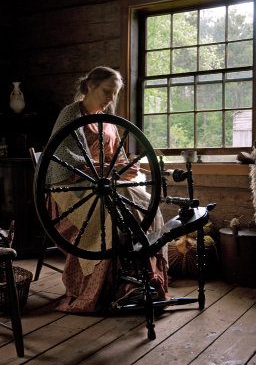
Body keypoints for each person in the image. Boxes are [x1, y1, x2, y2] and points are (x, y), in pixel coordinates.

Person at [46, 66, 169, 313]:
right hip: (71, 188)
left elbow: (116, 159)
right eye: (107, 91)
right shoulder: (71, 114)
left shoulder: (106, 121)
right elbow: (66, 162)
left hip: (103, 185)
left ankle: (140, 279)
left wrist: (126, 168)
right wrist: (113, 171)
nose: (111, 98)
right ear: (90, 86)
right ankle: (121, 284)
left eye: (114, 93)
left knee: (142, 200)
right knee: (118, 205)